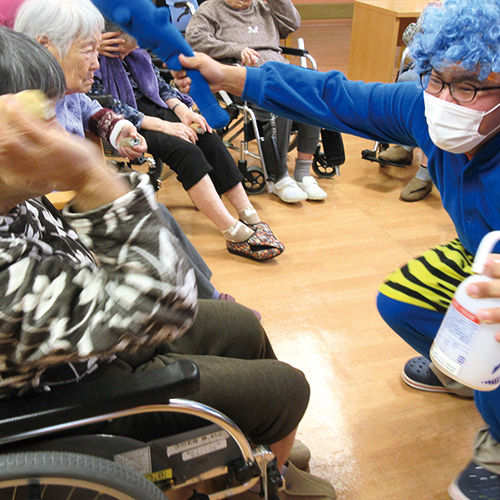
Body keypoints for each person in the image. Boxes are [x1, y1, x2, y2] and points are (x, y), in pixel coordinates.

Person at [172, 0, 500, 497]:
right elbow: (335, 96)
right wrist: (230, 76)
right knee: (403, 302)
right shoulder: (424, 110)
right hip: (479, 251)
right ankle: (467, 377)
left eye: (470, 86)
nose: (446, 99)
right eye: (436, 78)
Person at [0, 25, 336, 500]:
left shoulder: (11, 197)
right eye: (44, 120)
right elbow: (166, 303)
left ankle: (262, 445)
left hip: (93, 337)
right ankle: (263, 474)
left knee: (241, 325)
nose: (60, 132)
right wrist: (88, 173)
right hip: (86, 395)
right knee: (288, 388)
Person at [12, 0, 262, 308]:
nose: (95, 62)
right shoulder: (22, 109)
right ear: (45, 46)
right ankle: (195, 300)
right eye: (88, 50)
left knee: (157, 208)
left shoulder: (65, 89)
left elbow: (91, 108)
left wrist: (118, 129)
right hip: (51, 216)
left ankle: (205, 294)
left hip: (70, 196)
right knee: (147, 213)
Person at [185, 0, 326, 203]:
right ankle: (279, 177)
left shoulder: (264, 6)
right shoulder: (211, 8)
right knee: (280, 102)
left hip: (280, 71)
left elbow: (292, 23)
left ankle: (303, 173)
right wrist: (234, 49)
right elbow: (194, 40)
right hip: (241, 77)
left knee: (314, 95)